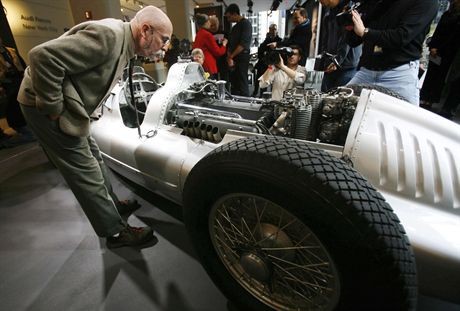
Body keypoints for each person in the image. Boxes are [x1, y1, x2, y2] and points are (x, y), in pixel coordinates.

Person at [17, 6, 173, 248]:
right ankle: (115, 232)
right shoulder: (109, 36)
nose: (165, 47)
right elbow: (41, 57)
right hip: (44, 108)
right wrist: (53, 107)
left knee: (95, 158)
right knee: (84, 170)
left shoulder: (124, 44)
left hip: (72, 109)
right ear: (145, 30)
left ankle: (111, 206)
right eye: (164, 40)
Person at [345, 0, 438, 105]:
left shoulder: (426, 2)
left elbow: (402, 36)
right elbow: (354, 39)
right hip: (367, 71)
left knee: (403, 119)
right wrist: (351, 23)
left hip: (398, 74)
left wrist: (365, 32)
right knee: (337, 108)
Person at [420, 0, 460, 109]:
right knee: (430, 75)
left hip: (445, 52)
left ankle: (430, 100)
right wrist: (433, 46)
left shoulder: (457, 18)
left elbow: (452, 38)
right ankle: (424, 97)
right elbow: (438, 31)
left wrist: (438, 48)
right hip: (436, 49)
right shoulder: (447, 14)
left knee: (439, 77)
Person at [319, 0, 362, 92]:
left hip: (347, 66)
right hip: (331, 66)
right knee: (324, 97)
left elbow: (346, 40)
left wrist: (337, 61)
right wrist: (325, 59)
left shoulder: (350, 10)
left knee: (340, 99)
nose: (319, 1)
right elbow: (325, 41)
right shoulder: (327, 16)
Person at [225, 3, 252, 96]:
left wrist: (231, 57)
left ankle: (246, 105)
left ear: (235, 14)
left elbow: (243, 44)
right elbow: (230, 43)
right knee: (234, 83)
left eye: (229, 17)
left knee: (242, 82)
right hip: (234, 58)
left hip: (242, 57)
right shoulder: (235, 27)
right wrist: (229, 56)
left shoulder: (246, 24)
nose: (228, 20)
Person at [192, 13, 228, 80]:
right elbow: (218, 52)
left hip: (201, 65)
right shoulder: (207, 35)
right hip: (208, 66)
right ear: (206, 22)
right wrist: (224, 44)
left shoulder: (199, 34)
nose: (210, 23)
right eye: (209, 21)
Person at [253, 24, 282, 97]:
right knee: (260, 79)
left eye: (274, 29)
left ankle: (273, 96)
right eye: (271, 29)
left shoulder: (279, 40)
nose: (272, 31)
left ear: (277, 30)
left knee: (274, 81)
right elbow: (260, 50)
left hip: (274, 64)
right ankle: (258, 94)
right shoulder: (267, 40)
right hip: (264, 63)